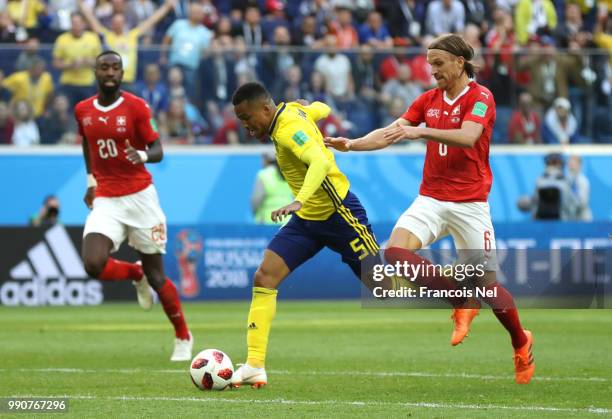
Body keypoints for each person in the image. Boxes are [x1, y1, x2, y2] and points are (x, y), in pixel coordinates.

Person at [325, 34, 535, 385]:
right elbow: (392, 132)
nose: (432, 70)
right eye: (430, 63)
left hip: (470, 203)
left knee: (489, 287)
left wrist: (421, 131)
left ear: (459, 62)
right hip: (432, 198)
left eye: (438, 63)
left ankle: (520, 340)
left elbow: (468, 136)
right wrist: (352, 144)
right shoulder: (428, 100)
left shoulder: (482, 98)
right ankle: (458, 299)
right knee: (394, 251)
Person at [230, 82, 388, 388]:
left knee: (386, 287)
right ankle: (254, 364)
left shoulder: (288, 128)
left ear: (265, 109)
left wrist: (299, 198)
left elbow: (320, 161)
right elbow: (322, 108)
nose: (246, 126)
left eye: (247, 118)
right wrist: (308, 108)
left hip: (339, 214)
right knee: (265, 277)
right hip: (307, 220)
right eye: (241, 120)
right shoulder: (291, 111)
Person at [75, 50, 192, 361]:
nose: (110, 72)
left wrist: (141, 155)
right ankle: (133, 274)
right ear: (95, 72)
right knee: (92, 264)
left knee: (157, 277)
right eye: (104, 67)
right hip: (107, 199)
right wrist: (90, 180)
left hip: (140, 198)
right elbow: (87, 141)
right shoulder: (82, 110)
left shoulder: (137, 107)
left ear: (122, 73)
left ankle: (183, 335)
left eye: (115, 67)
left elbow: (158, 149)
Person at [251, 151, 294, 225]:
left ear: (266, 159)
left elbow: (256, 200)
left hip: (267, 221)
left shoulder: (263, 175)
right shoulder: (289, 173)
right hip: (287, 221)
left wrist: (255, 213)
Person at [567, 155, 592, 221]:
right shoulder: (565, 181)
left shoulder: (583, 181)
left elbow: (583, 202)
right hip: (569, 219)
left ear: (579, 165)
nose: (571, 166)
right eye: (570, 164)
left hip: (583, 218)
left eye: (573, 164)